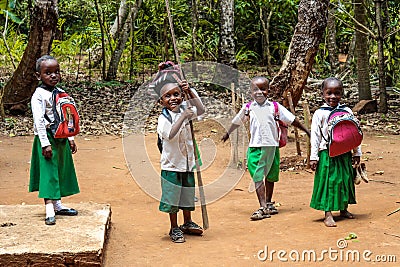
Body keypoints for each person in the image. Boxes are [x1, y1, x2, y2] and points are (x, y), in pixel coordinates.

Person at [222, 77, 310, 220]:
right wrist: (227, 133)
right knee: (257, 176)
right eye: (255, 89)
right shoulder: (248, 108)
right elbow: (237, 121)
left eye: (262, 89)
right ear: (251, 92)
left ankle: (268, 202)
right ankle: (262, 206)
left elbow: (292, 120)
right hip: (255, 147)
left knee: (270, 176)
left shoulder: (275, 107)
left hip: (271, 148)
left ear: (268, 91)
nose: (259, 92)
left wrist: (306, 131)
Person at [152, 62, 206, 243]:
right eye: (168, 96)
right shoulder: (164, 118)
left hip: (187, 163)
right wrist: (183, 116)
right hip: (171, 166)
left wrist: (189, 91)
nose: (173, 98)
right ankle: (174, 227)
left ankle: (188, 222)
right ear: (161, 101)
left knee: (187, 195)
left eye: (177, 94)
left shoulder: (186, 108)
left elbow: (201, 109)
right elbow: (170, 135)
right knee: (173, 198)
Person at [29, 55, 80, 225]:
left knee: (60, 169)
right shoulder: (38, 95)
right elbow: (39, 121)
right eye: (48, 73)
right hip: (48, 138)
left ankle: (58, 205)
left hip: (61, 137)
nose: (53, 76)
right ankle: (49, 208)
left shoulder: (60, 93)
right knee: (48, 173)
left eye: (56, 72)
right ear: (38, 76)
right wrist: (45, 144)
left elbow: (66, 116)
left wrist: (70, 137)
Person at [309, 77, 361, 227]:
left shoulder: (346, 111)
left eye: (337, 93)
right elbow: (315, 136)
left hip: (344, 153)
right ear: (322, 94)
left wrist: (357, 152)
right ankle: (328, 213)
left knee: (344, 179)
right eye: (329, 93)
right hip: (327, 153)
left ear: (342, 93)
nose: (333, 97)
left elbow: (354, 133)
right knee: (328, 182)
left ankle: (343, 209)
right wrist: (314, 157)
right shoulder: (320, 113)